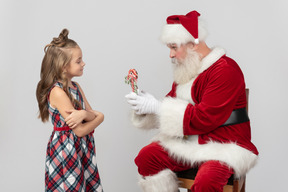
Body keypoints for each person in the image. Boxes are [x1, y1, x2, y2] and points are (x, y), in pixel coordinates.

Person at [125, 10, 259, 192]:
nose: (170, 55)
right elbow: (171, 104)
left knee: (206, 182)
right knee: (147, 158)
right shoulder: (188, 69)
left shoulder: (225, 70)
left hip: (223, 144)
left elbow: (205, 118)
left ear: (194, 44)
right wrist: (145, 107)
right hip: (188, 140)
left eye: (174, 47)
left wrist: (158, 107)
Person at [36, 29, 104, 192]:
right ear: (64, 66)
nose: (83, 64)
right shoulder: (58, 92)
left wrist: (85, 114)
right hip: (66, 151)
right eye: (78, 61)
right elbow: (80, 130)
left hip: (81, 149)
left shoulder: (76, 87)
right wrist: (98, 117)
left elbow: (90, 115)